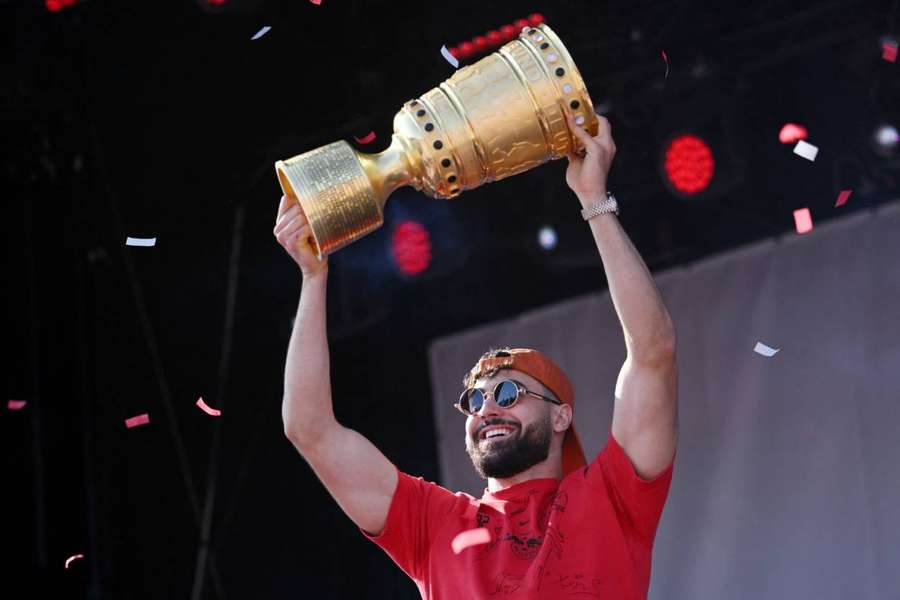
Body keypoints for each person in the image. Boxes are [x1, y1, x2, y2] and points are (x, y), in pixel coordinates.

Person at [273, 113, 678, 599]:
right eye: (474, 399)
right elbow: (309, 428)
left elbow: (652, 351)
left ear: (561, 416)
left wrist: (594, 200)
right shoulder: (430, 522)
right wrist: (314, 278)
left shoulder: (614, 496)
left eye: (508, 392)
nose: (486, 408)